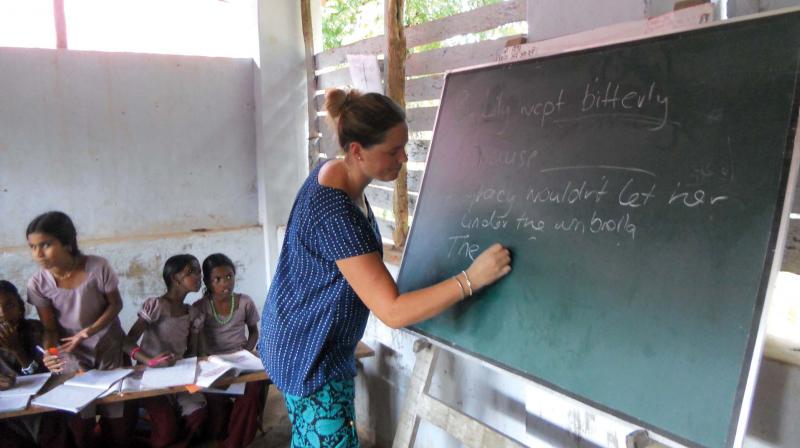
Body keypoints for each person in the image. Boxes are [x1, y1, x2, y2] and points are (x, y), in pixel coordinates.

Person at [259, 88, 512, 447]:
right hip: (309, 357)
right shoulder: (334, 212)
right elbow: (392, 311)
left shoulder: (335, 172)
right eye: (393, 151)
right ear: (357, 151)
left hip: (303, 338)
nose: (404, 158)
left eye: (404, 146)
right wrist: (471, 279)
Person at [25, 211, 133, 447]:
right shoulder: (38, 284)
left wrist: (89, 331)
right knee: (80, 420)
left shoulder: (98, 267)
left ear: (67, 242)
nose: (38, 254)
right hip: (72, 352)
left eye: (46, 244)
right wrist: (51, 354)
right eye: (33, 247)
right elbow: (50, 328)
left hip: (108, 345)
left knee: (116, 416)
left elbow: (116, 305)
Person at [124, 254, 207, 448]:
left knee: (198, 413)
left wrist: (196, 367)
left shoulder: (192, 313)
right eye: (191, 272)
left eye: (199, 272)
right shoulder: (157, 306)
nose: (198, 276)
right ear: (175, 278)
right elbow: (127, 342)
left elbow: (192, 353)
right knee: (166, 427)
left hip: (178, 375)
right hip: (150, 376)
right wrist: (150, 361)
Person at [193, 253, 266, 448]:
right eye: (217, 279)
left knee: (251, 391)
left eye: (229, 277)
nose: (225, 283)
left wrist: (247, 353)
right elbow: (195, 341)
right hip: (212, 362)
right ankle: (219, 435)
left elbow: (253, 333)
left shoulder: (245, 302)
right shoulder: (200, 307)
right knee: (214, 401)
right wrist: (206, 358)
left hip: (241, 358)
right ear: (207, 282)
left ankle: (233, 443)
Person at [0, 280, 72, 448]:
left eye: (9, 305)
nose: (2, 313)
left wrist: (17, 350)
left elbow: (46, 375)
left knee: (53, 428)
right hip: (7, 416)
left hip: (42, 409)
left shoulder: (36, 331)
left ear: (20, 308)